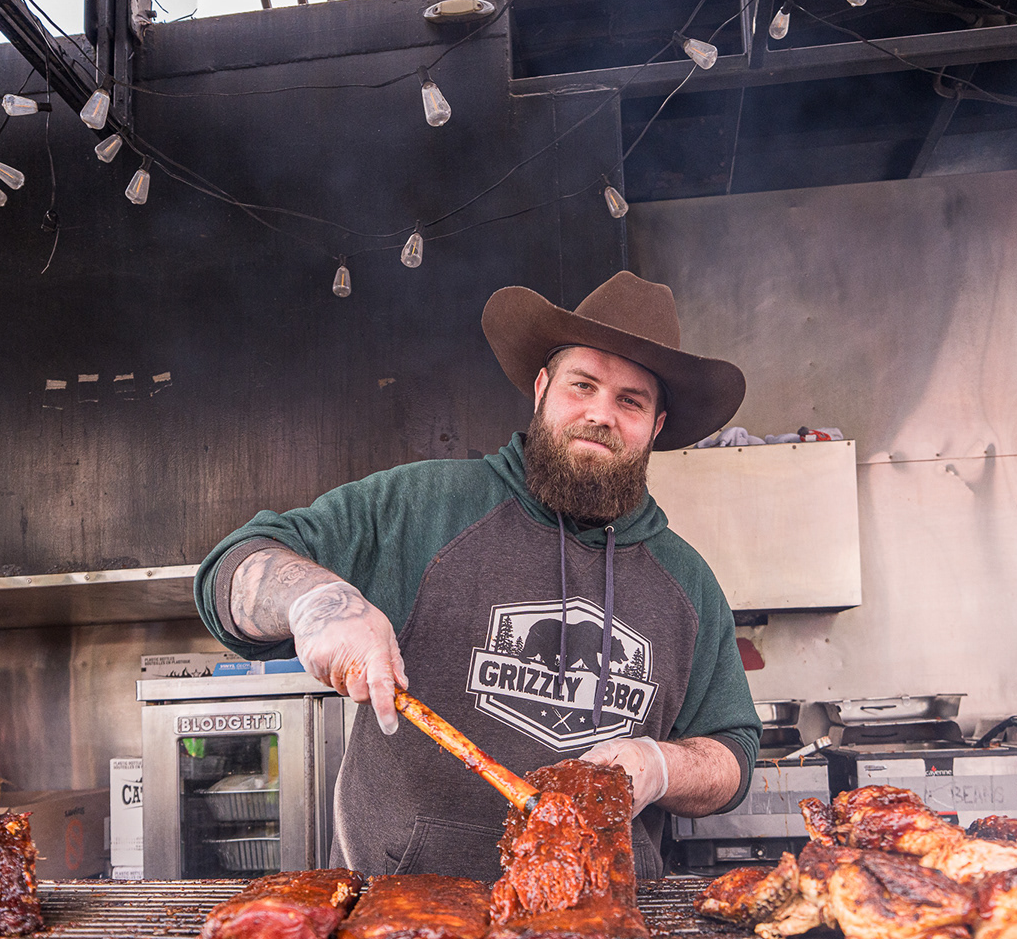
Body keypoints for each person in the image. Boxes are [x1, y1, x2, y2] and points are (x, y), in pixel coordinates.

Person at [196, 271, 760, 882]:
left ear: (655, 426)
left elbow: (731, 753)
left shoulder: (687, 581)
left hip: (602, 926)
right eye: (583, 385)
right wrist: (317, 602)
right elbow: (233, 569)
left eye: (630, 400)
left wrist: (662, 766)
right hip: (405, 921)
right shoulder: (420, 506)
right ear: (542, 388)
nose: (601, 414)